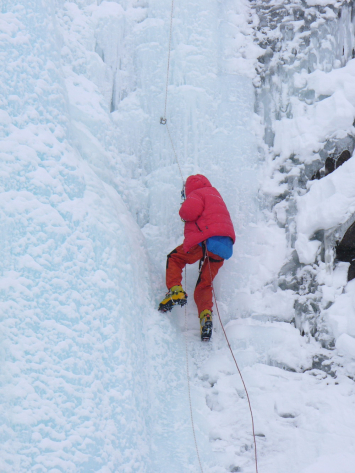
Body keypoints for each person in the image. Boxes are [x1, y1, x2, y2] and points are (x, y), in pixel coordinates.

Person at [158, 174, 235, 341]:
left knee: (175, 258)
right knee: (204, 283)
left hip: (205, 240)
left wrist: (184, 208)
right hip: (223, 246)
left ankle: (175, 291)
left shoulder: (198, 194)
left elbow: (188, 211)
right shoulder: (215, 195)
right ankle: (205, 316)